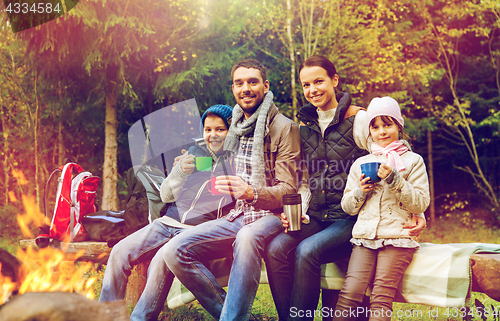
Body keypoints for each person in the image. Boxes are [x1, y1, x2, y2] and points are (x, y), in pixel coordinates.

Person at [264, 56, 426, 321]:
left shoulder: (360, 120)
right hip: (317, 216)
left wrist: (417, 214)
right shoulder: (305, 126)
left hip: (351, 217)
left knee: (307, 250)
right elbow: (306, 179)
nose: (313, 90)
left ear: (334, 81)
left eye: (319, 81)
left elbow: (392, 157)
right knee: (276, 249)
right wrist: (301, 211)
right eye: (306, 85)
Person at [162, 58, 302, 321]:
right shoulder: (235, 127)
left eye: (252, 82)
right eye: (239, 83)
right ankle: (232, 314)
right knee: (173, 250)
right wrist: (187, 164)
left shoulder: (284, 128)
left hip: (270, 215)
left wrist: (252, 193)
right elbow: (216, 160)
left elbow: (289, 188)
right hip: (236, 214)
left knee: (247, 236)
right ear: (233, 88)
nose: (245, 88)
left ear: (265, 86)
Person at [99, 104, 235, 321]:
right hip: (168, 222)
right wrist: (180, 172)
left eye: (220, 129)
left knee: (160, 262)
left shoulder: (236, 160)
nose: (213, 135)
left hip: (198, 230)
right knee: (119, 252)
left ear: (231, 130)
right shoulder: (194, 154)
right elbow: (166, 195)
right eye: (208, 129)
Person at [333, 96, 430, 321]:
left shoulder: (413, 161)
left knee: (381, 296)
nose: (382, 132)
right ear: (370, 131)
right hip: (365, 238)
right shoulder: (360, 163)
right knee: (350, 293)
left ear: (399, 125)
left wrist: (395, 179)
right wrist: (361, 191)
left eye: (387, 124)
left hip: (398, 237)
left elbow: (420, 203)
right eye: (375, 127)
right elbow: (347, 207)